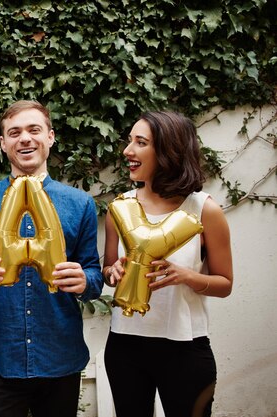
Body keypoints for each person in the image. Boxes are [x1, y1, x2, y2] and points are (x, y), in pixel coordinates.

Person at [0, 100, 103, 417]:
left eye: (34, 130)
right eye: (14, 132)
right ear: (3, 143)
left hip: (60, 357)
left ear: (50, 137)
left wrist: (84, 281)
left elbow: (94, 275)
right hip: (0, 359)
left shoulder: (80, 204)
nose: (25, 138)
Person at [102, 111, 233, 417]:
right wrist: (113, 272)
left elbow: (225, 284)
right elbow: (108, 269)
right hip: (125, 344)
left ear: (167, 151)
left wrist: (186, 276)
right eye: (129, 141)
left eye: (140, 142)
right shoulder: (120, 207)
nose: (127, 151)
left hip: (185, 346)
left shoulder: (205, 211)